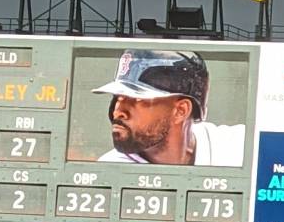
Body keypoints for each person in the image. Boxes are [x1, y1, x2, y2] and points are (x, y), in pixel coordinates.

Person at [91, 48, 247, 167]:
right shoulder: (112, 167)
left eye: (136, 99)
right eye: (118, 97)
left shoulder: (238, 147)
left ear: (180, 111)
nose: (118, 112)